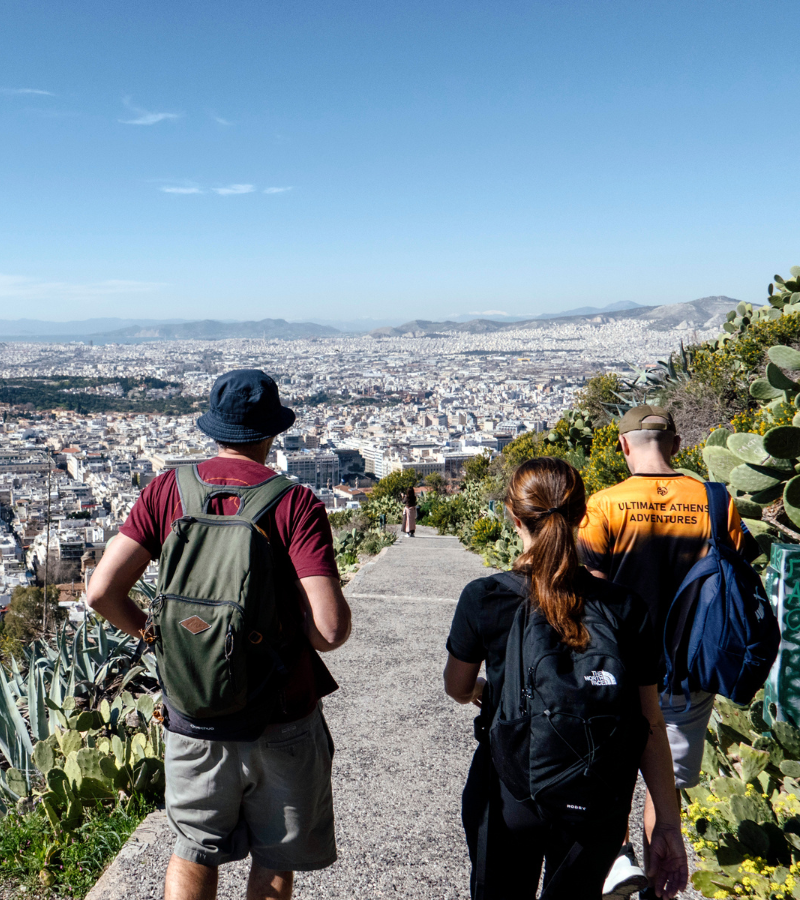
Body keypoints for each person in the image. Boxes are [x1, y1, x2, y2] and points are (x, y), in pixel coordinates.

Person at [87, 369, 352, 900]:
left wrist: (160, 637)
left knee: (193, 848)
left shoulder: (167, 490)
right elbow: (329, 630)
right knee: (275, 860)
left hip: (193, 711)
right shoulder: (294, 504)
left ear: (215, 428)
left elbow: (99, 593)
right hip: (281, 711)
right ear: (271, 432)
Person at [444, 457, 686, 899]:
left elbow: (457, 687)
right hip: (597, 796)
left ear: (514, 518)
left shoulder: (485, 598)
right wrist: (667, 824)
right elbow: (649, 722)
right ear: (581, 515)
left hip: (510, 787)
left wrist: (484, 691)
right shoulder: (626, 608)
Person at [577, 405, 746, 900]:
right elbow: (736, 572)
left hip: (619, 661)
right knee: (663, 781)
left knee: (611, 768)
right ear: (675, 445)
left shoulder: (605, 504)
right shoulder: (717, 501)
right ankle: (658, 877)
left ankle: (618, 859)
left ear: (625, 446)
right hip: (690, 666)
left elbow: (589, 588)